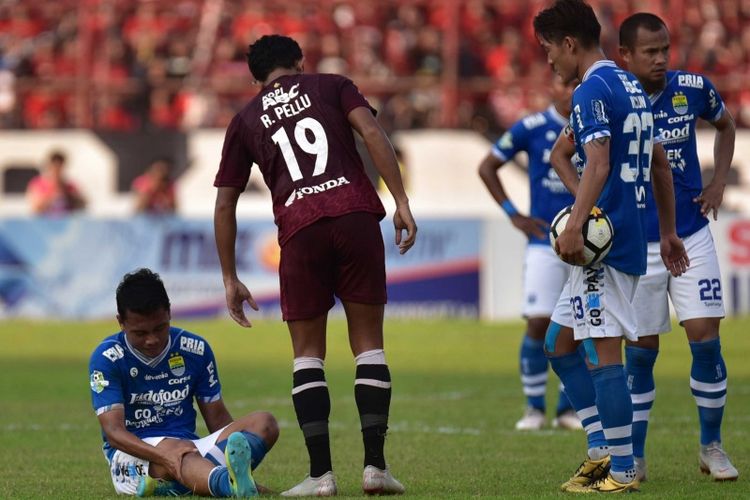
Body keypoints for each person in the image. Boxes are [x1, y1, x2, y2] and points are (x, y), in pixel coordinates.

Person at [213, 35, 417, 497]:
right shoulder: (331, 84)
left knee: (308, 354)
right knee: (368, 345)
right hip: (356, 215)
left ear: (254, 78)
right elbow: (372, 133)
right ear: (299, 63)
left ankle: (321, 476)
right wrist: (401, 200)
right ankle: (375, 469)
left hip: (300, 228)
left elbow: (225, 203)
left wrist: (229, 277)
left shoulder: (245, 119)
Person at [533, 0, 689, 493]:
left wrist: (577, 225)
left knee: (604, 356)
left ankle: (622, 469)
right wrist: (665, 231)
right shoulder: (626, 84)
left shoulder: (591, 91)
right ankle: (601, 449)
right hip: (620, 236)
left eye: (548, 51)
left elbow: (596, 163)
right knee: (557, 343)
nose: (549, 62)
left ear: (569, 44)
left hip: (607, 247)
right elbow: (655, 163)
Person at [617, 13, 737, 482]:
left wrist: (718, 181)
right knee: (642, 351)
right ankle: (638, 456)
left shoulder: (692, 87)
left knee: (706, 340)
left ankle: (712, 446)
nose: (661, 58)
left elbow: (726, 127)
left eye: (665, 48)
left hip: (690, 233)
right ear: (625, 55)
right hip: (638, 245)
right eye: (650, 51)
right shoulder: (611, 98)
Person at [88, 268, 279, 497]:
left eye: (160, 328)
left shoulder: (194, 349)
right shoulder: (108, 357)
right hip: (135, 459)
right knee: (179, 451)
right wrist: (163, 456)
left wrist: (234, 448)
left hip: (190, 449)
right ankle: (228, 486)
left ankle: (191, 482)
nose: (152, 339)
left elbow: (218, 419)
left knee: (264, 422)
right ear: (121, 322)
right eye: (140, 333)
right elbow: (114, 432)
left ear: (169, 312)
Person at [477, 75, 582, 431]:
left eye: (577, 85)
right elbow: (487, 166)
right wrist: (513, 214)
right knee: (539, 321)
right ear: (551, 88)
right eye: (565, 85)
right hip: (544, 242)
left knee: (580, 326)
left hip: (588, 242)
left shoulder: (598, 125)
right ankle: (534, 409)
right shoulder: (533, 126)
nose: (571, 92)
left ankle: (568, 410)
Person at [26, 150, 86, 215]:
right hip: (45, 222)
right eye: (55, 167)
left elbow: (82, 204)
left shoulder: (69, 186)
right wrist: (53, 195)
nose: (57, 170)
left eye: (60, 167)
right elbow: (35, 208)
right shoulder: (37, 184)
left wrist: (67, 195)